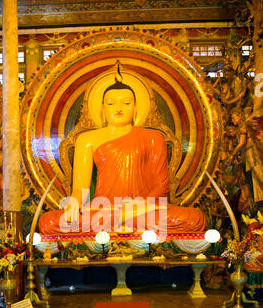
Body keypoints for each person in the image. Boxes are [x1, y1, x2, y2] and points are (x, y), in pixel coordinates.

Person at [39, 81, 206, 235]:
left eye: (126, 103)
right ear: (102, 109)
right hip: (103, 209)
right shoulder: (87, 140)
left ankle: (120, 223)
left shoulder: (153, 137)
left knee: (196, 219)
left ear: (135, 108)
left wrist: (135, 207)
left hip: (142, 210)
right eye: (111, 103)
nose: (119, 108)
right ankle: (124, 223)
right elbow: (79, 190)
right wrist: (73, 204)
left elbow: (161, 186)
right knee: (48, 222)